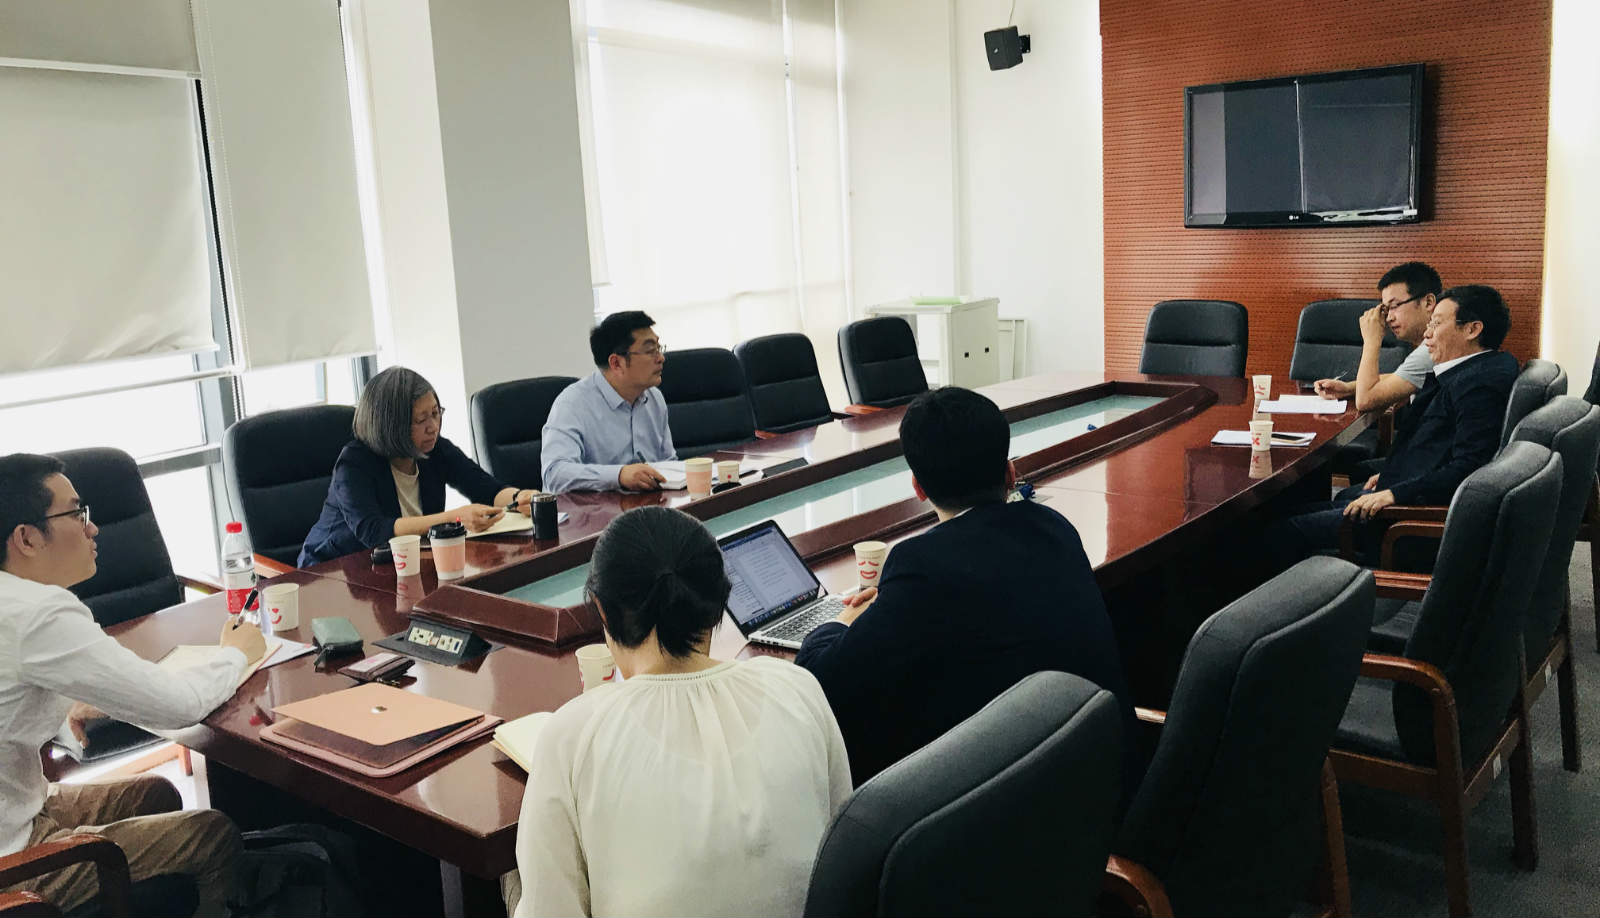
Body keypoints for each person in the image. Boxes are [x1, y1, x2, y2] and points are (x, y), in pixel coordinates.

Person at [506, 507, 849, 917]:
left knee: (513, 879)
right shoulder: (797, 688)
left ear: (602, 609)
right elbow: (842, 856)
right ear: (719, 600)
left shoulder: (571, 735)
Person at [794, 387, 1137, 793]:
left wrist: (843, 620)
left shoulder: (921, 567)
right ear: (1010, 473)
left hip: (1020, 805)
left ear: (918, 488)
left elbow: (821, 681)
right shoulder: (1054, 527)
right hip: (1108, 775)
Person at [0, 453, 266, 915]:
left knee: (156, 794)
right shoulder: (39, 614)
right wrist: (236, 653)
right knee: (213, 834)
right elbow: (179, 706)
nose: (93, 528)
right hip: (13, 861)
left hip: (16, 807)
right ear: (27, 538)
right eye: (76, 513)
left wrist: (66, 704)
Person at [1271, 285, 1518, 564]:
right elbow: (1438, 447)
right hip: (1404, 496)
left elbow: (1469, 468)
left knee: (1283, 531)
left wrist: (1396, 493)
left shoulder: (1480, 386)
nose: (1427, 334)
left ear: (1472, 329)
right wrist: (1395, 471)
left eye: (1436, 324)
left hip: (1401, 524)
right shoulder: (1474, 370)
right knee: (1286, 512)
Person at [299, 367, 536, 566]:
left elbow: (486, 488)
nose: (433, 426)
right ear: (391, 425)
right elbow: (374, 531)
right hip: (333, 573)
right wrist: (453, 519)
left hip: (399, 568)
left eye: (435, 413)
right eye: (421, 420)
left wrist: (521, 497)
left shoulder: (435, 449)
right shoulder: (354, 463)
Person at [540, 311, 677, 494]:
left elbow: (669, 463)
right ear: (616, 363)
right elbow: (554, 474)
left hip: (646, 505)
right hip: (591, 510)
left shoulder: (654, 398)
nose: (661, 358)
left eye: (659, 349)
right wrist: (619, 475)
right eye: (650, 351)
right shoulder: (572, 404)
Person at [1313, 261, 1442, 413]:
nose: (1389, 318)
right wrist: (1349, 387)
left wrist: (1371, 340)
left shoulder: (1433, 347)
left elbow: (1365, 400)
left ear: (1428, 302)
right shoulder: (1439, 340)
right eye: (1386, 309)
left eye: (1394, 306)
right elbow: (1401, 377)